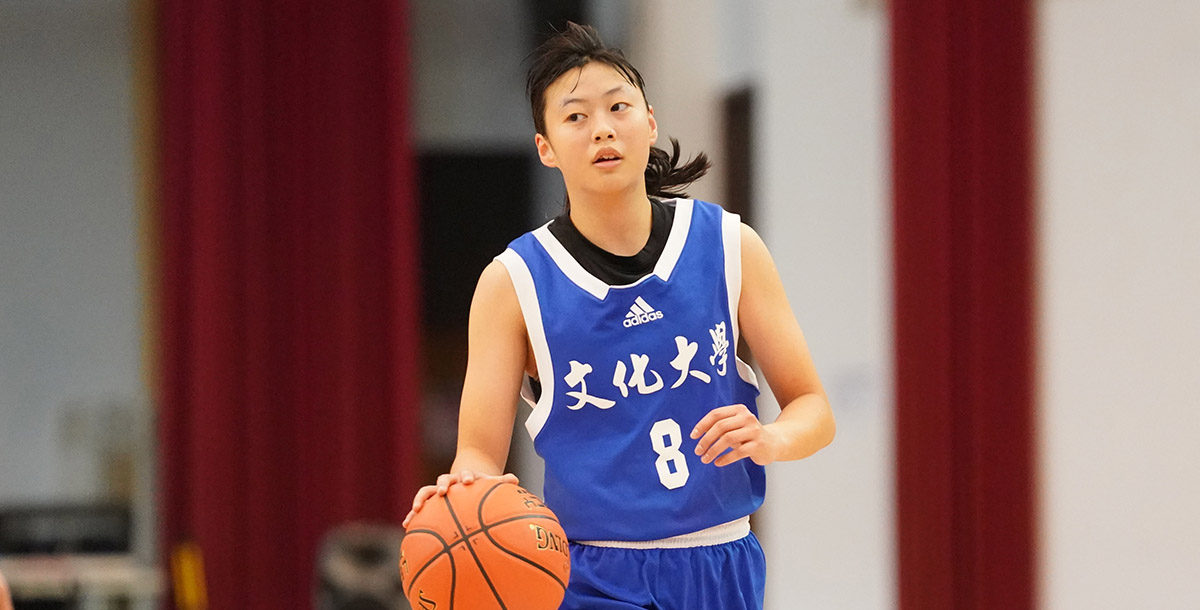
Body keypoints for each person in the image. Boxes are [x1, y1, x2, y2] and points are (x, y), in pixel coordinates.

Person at [403, 22, 835, 610]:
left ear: (649, 123)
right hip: (590, 572)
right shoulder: (513, 282)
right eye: (575, 116)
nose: (602, 128)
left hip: (720, 559)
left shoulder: (730, 245)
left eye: (618, 107)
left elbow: (812, 407)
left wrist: (771, 437)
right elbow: (479, 452)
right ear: (546, 148)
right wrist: (463, 494)